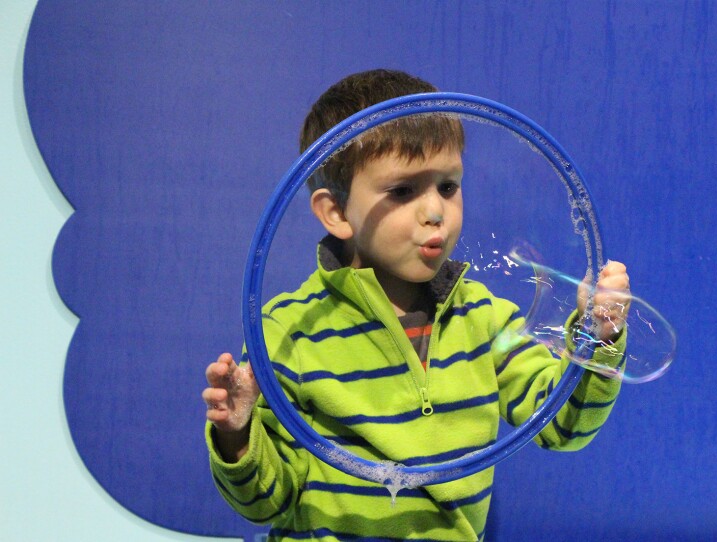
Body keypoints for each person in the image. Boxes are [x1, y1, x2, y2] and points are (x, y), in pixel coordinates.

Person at [203, 69, 630, 541]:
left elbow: (565, 427)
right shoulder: (290, 331)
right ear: (336, 213)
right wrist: (237, 436)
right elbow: (266, 501)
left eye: (448, 186)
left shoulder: (483, 319)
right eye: (403, 191)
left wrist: (598, 336)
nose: (435, 212)